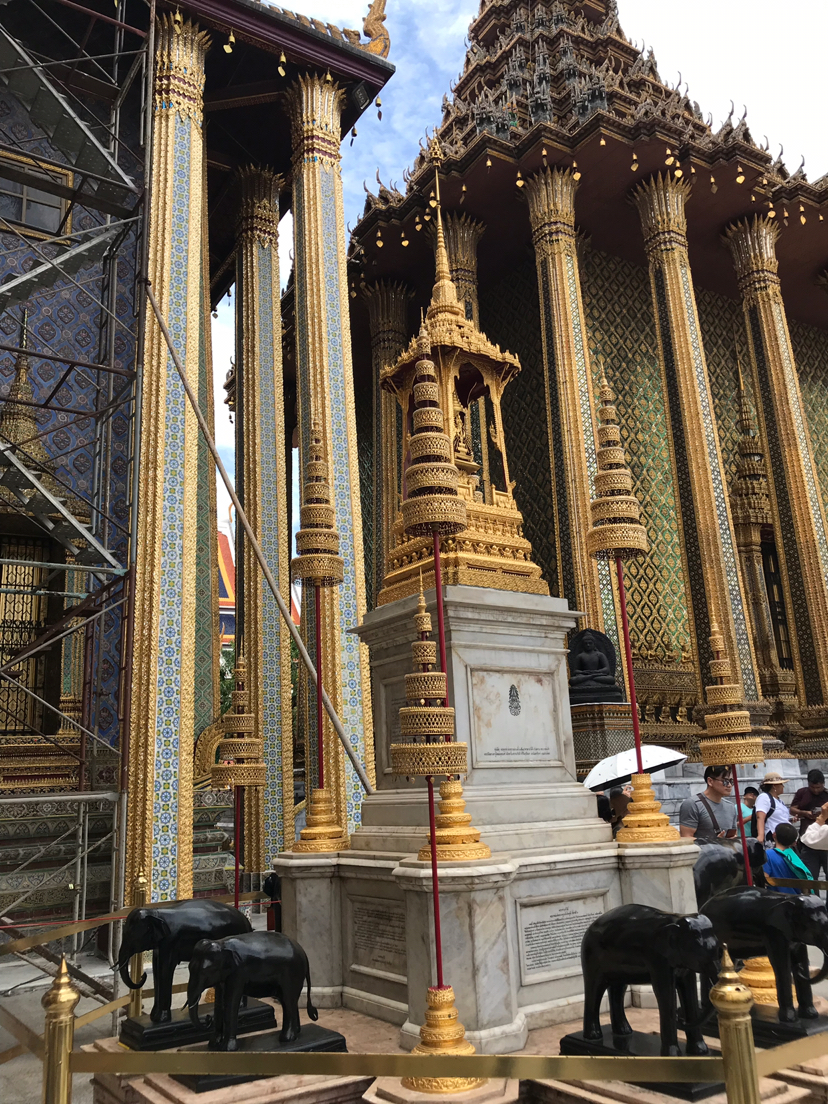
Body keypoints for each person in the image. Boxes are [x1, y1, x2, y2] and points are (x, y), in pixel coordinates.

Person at [679, 766, 738, 842]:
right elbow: (686, 838)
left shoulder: (731, 807)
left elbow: (734, 834)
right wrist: (713, 842)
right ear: (710, 781)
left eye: (731, 781)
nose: (729, 785)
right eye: (725, 781)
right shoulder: (692, 804)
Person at [791, 770, 828, 885]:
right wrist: (804, 813)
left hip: (825, 839)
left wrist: (823, 815)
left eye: (818, 787)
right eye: (813, 787)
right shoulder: (802, 793)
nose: (816, 790)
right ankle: (813, 896)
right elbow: (792, 809)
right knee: (810, 876)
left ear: (823, 784)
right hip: (808, 840)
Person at [763, 822, 814, 894]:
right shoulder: (794, 856)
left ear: (774, 835)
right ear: (794, 842)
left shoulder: (768, 855)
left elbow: (764, 881)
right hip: (796, 897)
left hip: (776, 897)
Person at [754, 771, 792, 842]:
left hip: (785, 836)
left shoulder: (780, 801)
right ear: (774, 786)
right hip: (773, 836)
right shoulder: (764, 797)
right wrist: (761, 835)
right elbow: (760, 817)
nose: (783, 786)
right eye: (781, 784)